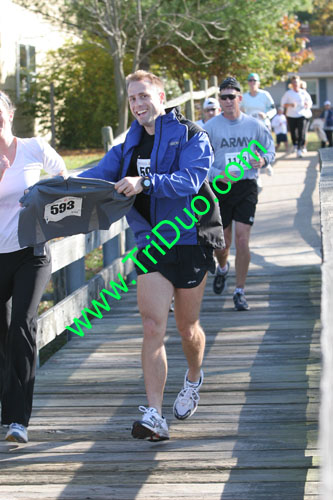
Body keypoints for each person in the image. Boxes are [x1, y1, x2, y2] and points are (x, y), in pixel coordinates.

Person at [78, 70, 224, 441]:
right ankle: (155, 414)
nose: (138, 104)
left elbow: (190, 180)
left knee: (187, 328)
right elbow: (96, 177)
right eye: (132, 98)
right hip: (151, 243)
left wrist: (145, 181)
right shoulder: (128, 145)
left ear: (161, 96)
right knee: (151, 326)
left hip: (190, 237)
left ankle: (193, 377)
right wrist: (55, 187)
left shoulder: (192, 134)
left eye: (144, 96)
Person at [0, 90, 67, 443]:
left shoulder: (33, 148)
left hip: (31, 251)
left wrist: (51, 212)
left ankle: (17, 420)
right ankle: (6, 402)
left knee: (22, 326)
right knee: (3, 331)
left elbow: (62, 177)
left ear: (9, 114)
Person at [204, 76, 275, 311]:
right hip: (221, 188)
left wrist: (263, 159)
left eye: (230, 97)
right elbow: (201, 161)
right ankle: (223, 269)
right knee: (221, 245)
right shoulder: (210, 128)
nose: (226, 101)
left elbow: (270, 150)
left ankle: (240, 291)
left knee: (243, 240)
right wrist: (216, 174)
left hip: (246, 186)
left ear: (239, 98)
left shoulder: (254, 126)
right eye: (222, 97)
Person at [241, 72, 276, 185]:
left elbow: (273, 109)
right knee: (253, 150)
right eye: (250, 81)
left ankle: (267, 163)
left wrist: (266, 115)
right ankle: (257, 176)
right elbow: (241, 111)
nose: (252, 83)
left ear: (258, 83)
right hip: (250, 127)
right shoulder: (244, 97)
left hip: (263, 124)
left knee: (265, 147)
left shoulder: (265, 95)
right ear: (248, 83)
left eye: (254, 80)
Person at [280, 75, 312, 158]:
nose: (295, 84)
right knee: (293, 133)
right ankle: (294, 144)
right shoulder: (288, 93)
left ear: (299, 82)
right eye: (293, 82)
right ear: (291, 83)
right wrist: (290, 104)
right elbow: (282, 103)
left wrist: (307, 104)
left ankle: (299, 149)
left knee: (302, 132)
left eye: (296, 82)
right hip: (291, 115)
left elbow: (310, 102)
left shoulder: (303, 93)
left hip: (302, 114)